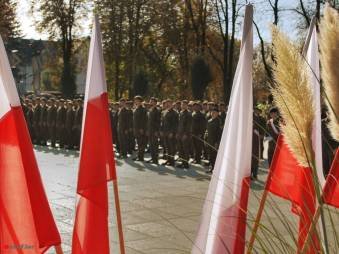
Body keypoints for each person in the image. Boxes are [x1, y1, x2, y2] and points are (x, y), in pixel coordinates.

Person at [162, 99, 179, 166]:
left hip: (171, 133)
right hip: (165, 132)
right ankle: (168, 160)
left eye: (169, 103)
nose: (168, 104)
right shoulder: (164, 112)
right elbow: (162, 123)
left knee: (171, 148)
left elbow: (175, 124)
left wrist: (172, 132)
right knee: (167, 147)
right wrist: (162, 130)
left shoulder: (175, 113)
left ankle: (172, 162)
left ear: (172, 104)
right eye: (167, 103)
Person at [177, 100, 192, 169]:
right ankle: (183, 162)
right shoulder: (181, 112)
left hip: (185, 135)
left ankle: (186, 164)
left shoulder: (188, 113)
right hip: (180, 133)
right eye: (182, 104)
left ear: (187, 105)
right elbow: (179, 124)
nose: (182, 106)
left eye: (184, 105)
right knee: (180, 149)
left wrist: (185, 134)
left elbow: (189, 125)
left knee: (185, 149)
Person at [206, 106, 221, 173]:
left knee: (215, 156)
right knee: (210, 155)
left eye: (214, 112)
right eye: (212, 112)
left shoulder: (218, 121)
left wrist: (217, 143)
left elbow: (219, 133)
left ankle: (215, 169)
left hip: (215, 142)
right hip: (209, 140)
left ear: (217, 113)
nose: (212, 113)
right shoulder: (209, 120)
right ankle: (212, 167)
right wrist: (205, 139)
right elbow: (207, 131)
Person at [133, 96, 148, 161]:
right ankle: (139, 156)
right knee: (139, 143)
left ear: (140, 101)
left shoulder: (143, 109)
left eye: (137, 100)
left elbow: (144, 120)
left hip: (140, 129)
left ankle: (141, 157)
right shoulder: (136, 108)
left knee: (141, 143)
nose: (135, 101)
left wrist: (142, 128)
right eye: (135, 100)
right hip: (136, 128)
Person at [147, 97, 161, 164]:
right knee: (151, 145)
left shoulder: (157, 110)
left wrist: (157, 131)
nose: (150, 102)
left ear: (155, 102)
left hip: (154, 131)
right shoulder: (150, 110)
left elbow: (158, 122)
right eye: (150, 101)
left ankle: (156, 160)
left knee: (155, 145)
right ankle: (153, 158)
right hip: (150, 130)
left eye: (152, 101)